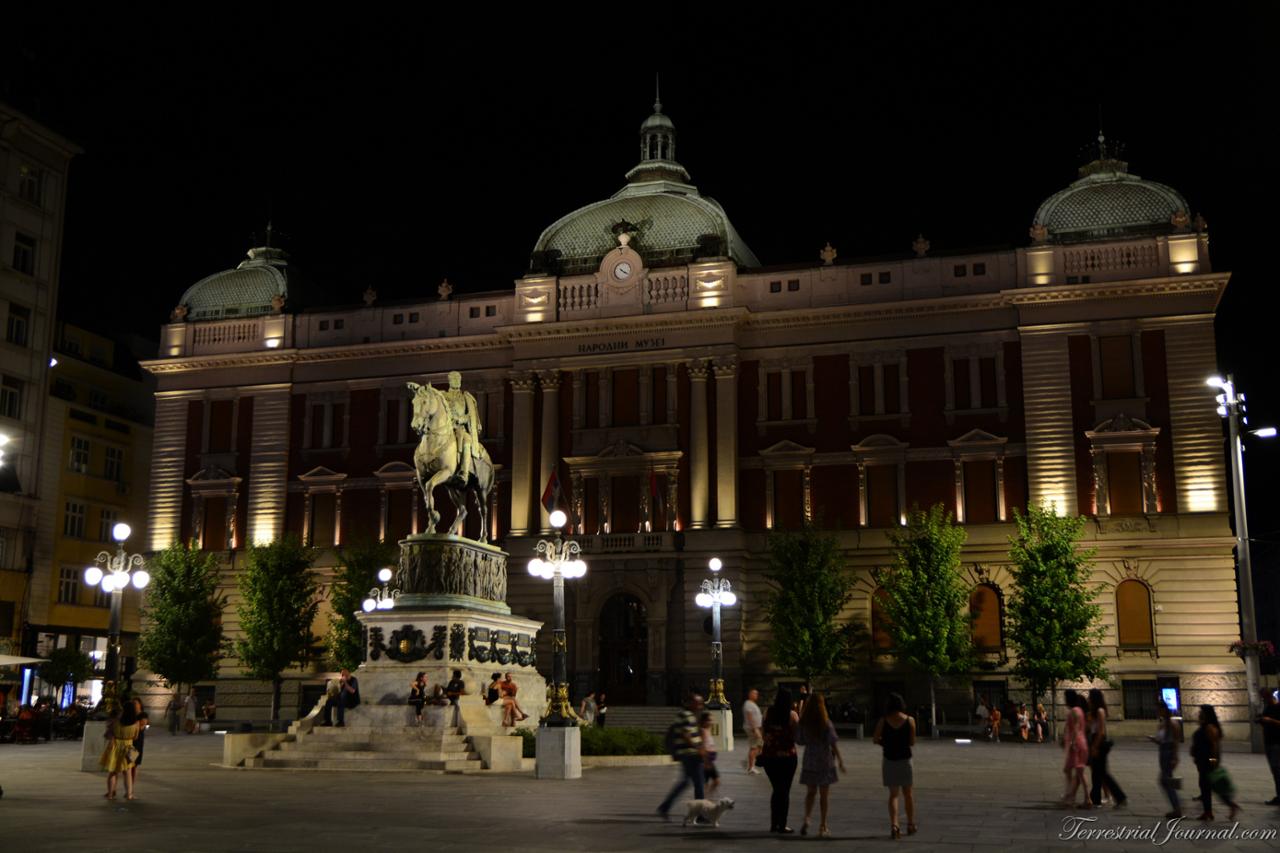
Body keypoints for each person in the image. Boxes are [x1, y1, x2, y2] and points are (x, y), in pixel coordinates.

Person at [797, 692, 845, 838]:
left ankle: (807, 818)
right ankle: (823, 826)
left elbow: (800, 740)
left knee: (810, 792)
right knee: (824, 796)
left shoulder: (804, 722)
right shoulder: (826, 722)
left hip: (810, 759)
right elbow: (833, 742)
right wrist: (840, 760)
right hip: (824, 760)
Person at [874, 692, 916, 839]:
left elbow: (875, 739)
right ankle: (910, 824)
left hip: (889, 759)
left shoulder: (883, 721)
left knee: (893, 795)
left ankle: (894, 825)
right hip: (905, 759)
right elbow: (912, 742)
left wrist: (886, 743)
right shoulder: (910, 720)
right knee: (908, 794)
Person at [657, 694, 706, 821]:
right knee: (698, 784)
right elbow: (686, 735)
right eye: (698, 703)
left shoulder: (691, 715)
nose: (700, 706)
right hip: (690, 754)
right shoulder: (684, 715)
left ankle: (665, 807)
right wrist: (698, 747)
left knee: (688, 782)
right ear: (690, 703)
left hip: (691, 754)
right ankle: (699, 814)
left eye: (701, 703)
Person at [760, 687, 799, 833]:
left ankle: (773, 824)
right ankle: (782, 825)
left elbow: (763, 734)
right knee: (784, 791)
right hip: (788, 757)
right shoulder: (792, 716)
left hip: (770, 757)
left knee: (777, 790)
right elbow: (797, 737)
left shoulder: (768, 713)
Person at [1191, 704, 1240, 821]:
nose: (1199, 713)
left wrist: (1213, 761)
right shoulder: (1204, 725)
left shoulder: (1210, 727)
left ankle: (1226, 807)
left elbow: (1214, 746)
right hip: (1201, 760)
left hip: (1208, 761)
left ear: (1207, 714)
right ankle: (1209, 812)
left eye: (1201, 711)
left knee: (1209, 786)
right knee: (1206, 786)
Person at [1087, 688, 1126, 807]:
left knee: (1102, 773)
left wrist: (1095, 746)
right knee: (1098, 772)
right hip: (1095, 740)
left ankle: (1119, 797)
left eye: (1090, 697)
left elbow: (1101, 732)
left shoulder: (1100, 711)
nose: (1088, 699)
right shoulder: (1094, 711)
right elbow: (1090, 727)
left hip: (1099, 742)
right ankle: (1097, 799)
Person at [99, 702, 140, 801]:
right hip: (129, 747)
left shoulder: (116, 721)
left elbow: (109, 733)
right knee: (128, 772)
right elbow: (135, 737)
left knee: (113, 772)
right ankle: (129, 794)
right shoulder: (136, 723)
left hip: (116, 746)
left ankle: (110, 794)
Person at [1149, 701, 1182, 818]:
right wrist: (1154, 739)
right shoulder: (1162, 724)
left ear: (1163, 710)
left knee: (1165, 780)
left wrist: (1175, 756)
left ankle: (1178, 807)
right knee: (1166, 780)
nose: (1157, 712)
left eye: (1158, 710)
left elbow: (1176, 741)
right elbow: (1160, 740)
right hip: (1162, 752)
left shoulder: (1173, 723)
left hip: (1168, 753)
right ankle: (1177, 805)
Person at [1061, 689, 1090, 808]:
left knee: (1076, 771)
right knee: (1075, 771)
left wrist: (1071, 741)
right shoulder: (1080, 710)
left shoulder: (1074, 711)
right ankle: (1071, 795)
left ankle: (1078, 797)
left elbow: (1076, 727)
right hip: (1082, 742)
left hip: (1076, 744)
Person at [1257, 688, 1280, 805]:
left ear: (1270, 696)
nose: (1263, 700)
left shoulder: (1278, 707)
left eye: (1264, 697)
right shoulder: (1267, 707)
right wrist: (1261, 720)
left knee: (1277, 769)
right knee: (1274, 771)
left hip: (1277, 743)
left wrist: (1270, 720)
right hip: (1269, 742)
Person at [742, 688, 764, 775]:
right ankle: (751, 767)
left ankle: (749, 762)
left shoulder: (752, 704)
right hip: (752, 728)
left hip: (756, 728)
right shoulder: (748, 704)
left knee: (759, 746)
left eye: (757, 694)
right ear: (750, 694)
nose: (756, 695)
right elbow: (749, 716)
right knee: (754, 747)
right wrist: (755, 729)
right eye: (754, 693)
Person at [699, 711, 721, 795]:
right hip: (706, 760)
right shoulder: (702, 731)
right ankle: (704, 798)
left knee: (715, 781)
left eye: (711, 720)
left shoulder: (707, 730)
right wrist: (705, 761)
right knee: (707, 782)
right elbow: (702, 746)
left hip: (710, 760)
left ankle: (705, 797)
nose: (711, 722)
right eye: (709, 720)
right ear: (703, 721)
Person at [130, 698, 148, 794]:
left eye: (136, 703)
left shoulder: (142, 715)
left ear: (140, 704)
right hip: (130, 742)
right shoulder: (130, 715)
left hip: (138, 742)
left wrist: (137, 724)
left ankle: (131, 787)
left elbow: (143, 726)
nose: (135, 705)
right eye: (134, 704)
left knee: (134, 765)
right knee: (129, 765)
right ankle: (129, 788)